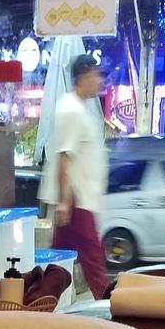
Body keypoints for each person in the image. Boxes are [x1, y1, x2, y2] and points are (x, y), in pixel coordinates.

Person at [40, 54, 110, 299]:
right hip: (76, 201)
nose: (99, 81)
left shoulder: (78, 108)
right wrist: (64, 202)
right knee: (93, 263)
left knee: (57, 265)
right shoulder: (71, 110)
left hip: (79, 200)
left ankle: (40, 303)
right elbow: (64, 157)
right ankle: (112, 309)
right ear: (83, 77)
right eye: (95, 75)